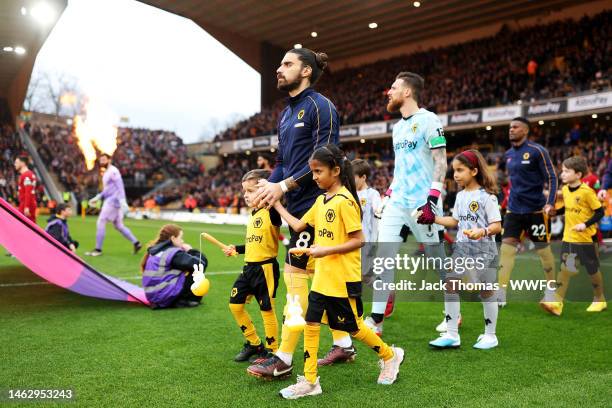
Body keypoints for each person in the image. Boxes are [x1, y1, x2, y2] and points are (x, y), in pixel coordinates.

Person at [273, 145, 404, 399]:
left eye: (318, 171)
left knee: (354, 328)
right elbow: (300, 225)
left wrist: (325, 251)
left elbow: (359, 239)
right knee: (311, 324)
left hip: (343, 280)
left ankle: (390, 356)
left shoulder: (345, 202)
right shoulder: (321, 200)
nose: (314, 177)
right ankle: (310, 381)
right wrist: (277, 204)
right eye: (312, 172)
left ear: (336, 170)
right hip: (322, 278)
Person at [247, 47, 348, 378]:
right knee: (324, 283)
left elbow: (329, 156)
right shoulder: (286, 114)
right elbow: (281, 163)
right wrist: (267, 189)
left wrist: (283, 187)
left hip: (321, 208)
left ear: (306, 71)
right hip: (298, 208)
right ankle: (346, 343)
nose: (279, 68)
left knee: (296, 282)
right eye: (279, 63)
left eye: (287, 64)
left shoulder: (322, 107)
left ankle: (284, 359)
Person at [370, 72, 449, 336]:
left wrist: (432, 200)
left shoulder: (429, 120)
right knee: (383, 259)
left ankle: (452, 316)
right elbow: (400, 169)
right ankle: (376, 320)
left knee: (439, 262)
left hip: (422, 204)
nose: (388, 92)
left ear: (407, 92)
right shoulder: (397, 127)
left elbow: (441, 161)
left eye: (393, 87)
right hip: (398, 203)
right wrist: (388, 194)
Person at [420, 150, 502, 349]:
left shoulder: (487, 197)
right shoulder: (460, 195)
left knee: (485, 291)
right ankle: (451, 334)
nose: (455, 175)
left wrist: (481, 231)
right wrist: (434, 218)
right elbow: (455, 221)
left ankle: (490, 335)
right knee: (450, 284)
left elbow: (497, 226)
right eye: (454, 170)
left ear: (474, 171)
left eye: (460, 170)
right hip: (462, 250)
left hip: (484, 251)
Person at [496, 117, 558, 311]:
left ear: (525, 131)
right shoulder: (507, 155)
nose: (511, 130)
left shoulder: (538, 151)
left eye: (515, 127)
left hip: (536, 211)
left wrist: (550, 203)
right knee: (506, 251)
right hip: (514, 210)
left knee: (544, 253)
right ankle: (501, 292)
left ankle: (550, 290)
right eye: (509, 127)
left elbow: (552, 177)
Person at [224, 169, 281, 363]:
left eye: (250, 191)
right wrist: (238, 249)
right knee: (235, 305)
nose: (245, 195)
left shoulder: (272, 211)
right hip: (249, 268)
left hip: (265, 269)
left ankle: (273, 352)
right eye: (244, 191)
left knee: (267, 310)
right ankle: (255, 344)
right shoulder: (254, 214)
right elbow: (254, 243)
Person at [546, 157, 606, 315]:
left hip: (586, 239)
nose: (562, 174)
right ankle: (557, 303)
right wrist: (555, 212)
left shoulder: (587, 192)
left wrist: (585, 225)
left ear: (578, 174)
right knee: (564, 269)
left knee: (592, 271)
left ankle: (599, 299)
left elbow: (600, 212)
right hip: (569, 237)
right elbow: (568, 208)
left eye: (566, 171)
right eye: (562, 170)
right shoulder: (565, 190)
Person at [85, 154, 141, 257]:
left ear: (109, 160)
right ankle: (136, 243)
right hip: (114, 201)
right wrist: (98, 197)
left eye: (104, 159)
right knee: (119, 226)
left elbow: (120, 185)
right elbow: (108, 189)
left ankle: (98, 249)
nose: (102, 162)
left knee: (101, 221)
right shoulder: (107, 172)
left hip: (112, 201)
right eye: (101, 160)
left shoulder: (113, 171)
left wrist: (122, 200)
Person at [140, 224, 207, 309]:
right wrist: (191, 250)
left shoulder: (156, 250)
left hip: (153, 297)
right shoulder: (172, 253)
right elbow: (201, 263)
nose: (182, 241)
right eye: (180, 238)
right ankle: (189, 300)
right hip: (163, 297)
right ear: (173, 238)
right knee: (197, 270)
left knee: (187, 268)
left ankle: (181, 298)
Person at [14, 156, 37, 223]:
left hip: (26, 204)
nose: (15, 164)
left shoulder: (26, 175)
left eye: (16, 162)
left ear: (23, 163)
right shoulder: (27, 174)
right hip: (27, 203)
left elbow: (28, 192)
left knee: (28, 227)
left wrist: (26, 206)